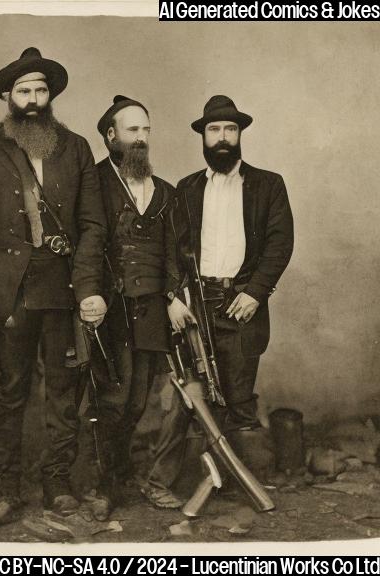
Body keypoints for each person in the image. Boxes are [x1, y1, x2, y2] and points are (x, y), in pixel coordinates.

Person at [0, 47, 108, 524]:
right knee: (10, 391)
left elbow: (92, 226)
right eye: (24, 91)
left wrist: (88, 290)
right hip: (9, 293)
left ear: (51, 95)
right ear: (8, 96)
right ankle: (7, 487)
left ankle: (57, 483)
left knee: (64, 392)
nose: (34, 99)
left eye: (41, 90)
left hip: (62, 290)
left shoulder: (76, 147)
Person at [144, 95, 294, 506]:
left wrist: (255, 292)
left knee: (237, 393)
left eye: (230, 129)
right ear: (204, 137)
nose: (223, 138)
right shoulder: (186, 189)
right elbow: (170, 248)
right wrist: (173, 296)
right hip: (196, 305)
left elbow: (280, 244)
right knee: (188, 395)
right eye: (215, 130)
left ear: (240, 134)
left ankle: (229, 477)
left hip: (243, 303)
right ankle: (165, 480)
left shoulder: (268, 184)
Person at [89, 95, 191, 517]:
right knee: (111, 399)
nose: (141, 139)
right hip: (110, 309)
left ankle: (119, 470)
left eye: (146, 130)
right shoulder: (91, 183)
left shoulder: (164, 191)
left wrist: (172, 295)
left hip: (151, 309)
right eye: (132, 130)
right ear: (111, 135)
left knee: (137, 400)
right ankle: (103, 485)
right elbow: (86, 248)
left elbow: (174, 252)